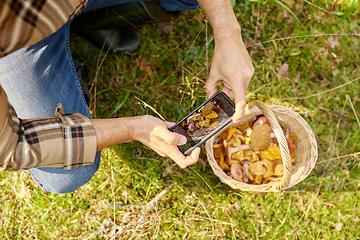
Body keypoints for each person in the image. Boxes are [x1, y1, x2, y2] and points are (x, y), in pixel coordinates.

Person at [0, 0, 254, 194]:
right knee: (65, 173)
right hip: (16, 43)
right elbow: (12, 146)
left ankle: (92, 17)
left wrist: (227, 31)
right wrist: (133, 128)